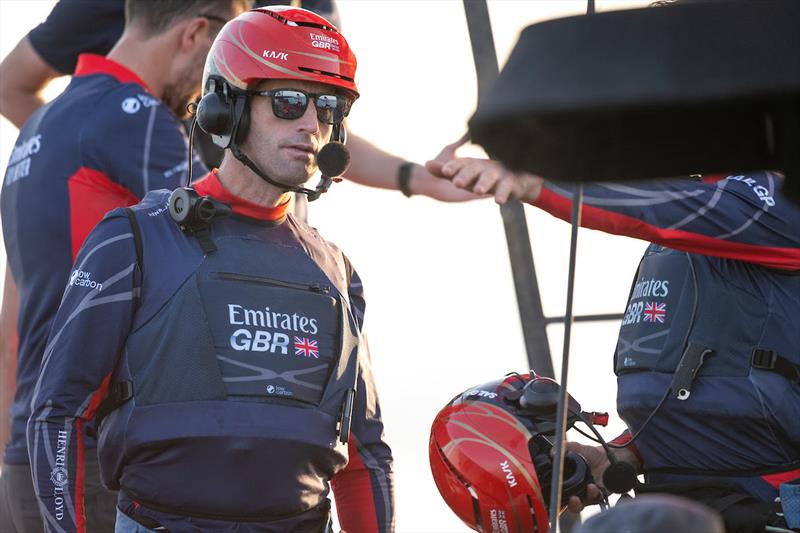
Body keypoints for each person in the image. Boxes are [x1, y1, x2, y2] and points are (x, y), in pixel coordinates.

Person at [28, 6, 394, 533]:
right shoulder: (133, 238)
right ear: (226, 108)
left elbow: (365, 457)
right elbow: (59, 412)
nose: (312, 125)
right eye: (289, 102)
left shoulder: (336, 272)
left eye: (328, 108)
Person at [433, 148, 800, 529]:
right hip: (683, 501)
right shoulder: (702, 213)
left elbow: (663, 208)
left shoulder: (777, 205)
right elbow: (704, 385)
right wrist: (623, 453)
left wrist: (539, 182)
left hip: (762, 507)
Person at [0, 1, 248, 531]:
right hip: (96, 457)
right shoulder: (135, 119)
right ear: (194, 33)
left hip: (29, 456)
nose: (210, 93)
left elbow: (12, 325)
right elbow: (234, 248)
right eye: (215, 69)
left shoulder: (37, 125)